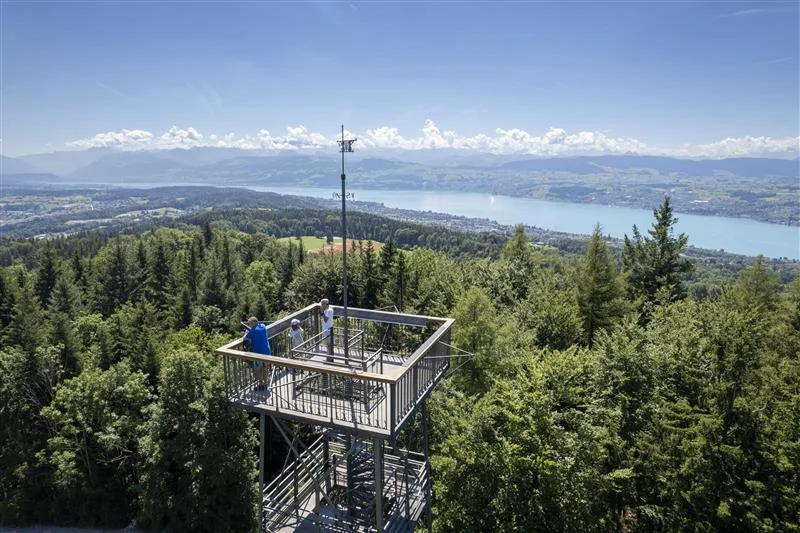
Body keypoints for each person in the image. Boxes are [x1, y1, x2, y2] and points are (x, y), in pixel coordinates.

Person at [242, 316, 270, 390]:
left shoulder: (253, 330)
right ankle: (266, 383)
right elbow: (261, 326)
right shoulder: (263, 326)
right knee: (265, 368)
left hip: (258, 353)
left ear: (253, 322)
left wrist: (247, 332)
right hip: (266, 351)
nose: (249, 325)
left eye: (250, 323)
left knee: (257, 369)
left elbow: (245, 338)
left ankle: (261, 384)